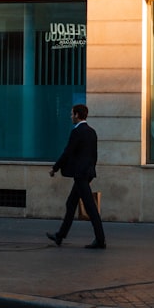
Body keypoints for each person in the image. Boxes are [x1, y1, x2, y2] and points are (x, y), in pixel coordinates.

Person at [46, 103, 106, 249]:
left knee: (90, 207)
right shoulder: (92, 131)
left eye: (72, 114)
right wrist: (91, 170)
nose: (70, 116)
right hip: (87, 173)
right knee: (71, 203)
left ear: (77, 115)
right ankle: (60, 236)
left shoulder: (77, 132)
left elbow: (67, 152)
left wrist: (55, 168)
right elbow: (94, 155)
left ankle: (100, 240)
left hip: (80, 175)